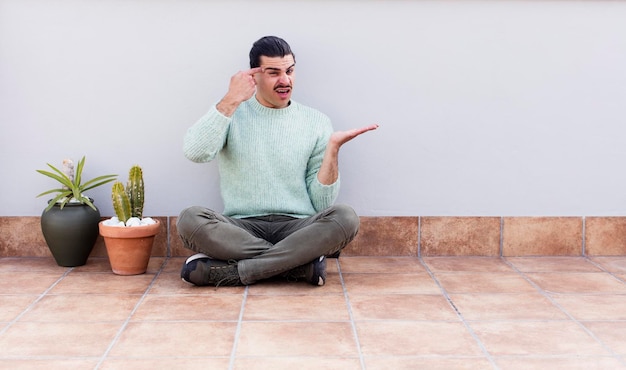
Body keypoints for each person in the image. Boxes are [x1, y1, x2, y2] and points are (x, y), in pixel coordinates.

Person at [177, 36, 378, 287]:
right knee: (189, 220)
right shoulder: (233, 111)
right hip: (241, 228)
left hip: (297, 228)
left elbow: (321, 203)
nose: (285, 80)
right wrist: (231, 98)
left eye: (289, 71)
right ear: (254, 76)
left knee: (346, 218)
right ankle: (297, 266)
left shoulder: (316, 121)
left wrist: (333, 150)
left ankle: (235, 273)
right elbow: (196, 152)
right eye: (273, 72)